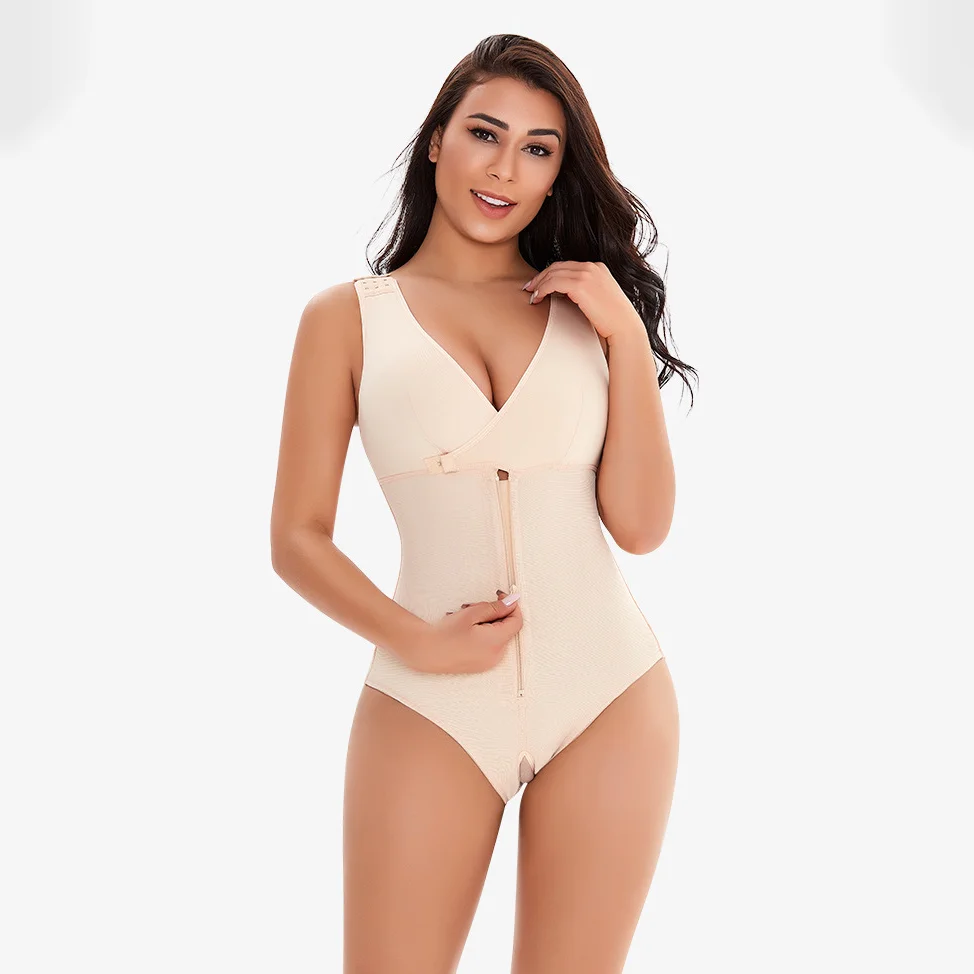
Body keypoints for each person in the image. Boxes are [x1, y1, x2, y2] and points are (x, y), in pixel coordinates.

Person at [271, 33, 696, 974]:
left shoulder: (586, 312)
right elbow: (297, 537)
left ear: (556, 175)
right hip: (429, 700)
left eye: (539, 149)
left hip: (610, 693)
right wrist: (415, 641)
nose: (505, 168)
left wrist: (627, 337)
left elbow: (642, 526)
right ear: (437, 141)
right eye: (484, 133)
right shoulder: (346, 318)